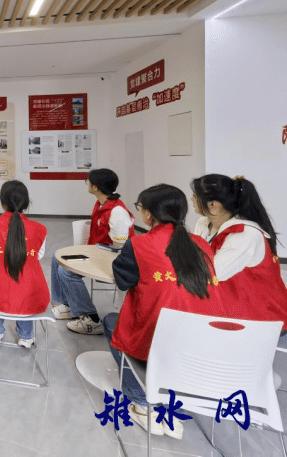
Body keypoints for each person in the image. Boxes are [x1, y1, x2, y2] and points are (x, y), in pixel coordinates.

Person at [104, 184, 225, 439]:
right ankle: (171, 406)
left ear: (148, 215)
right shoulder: (202, 244)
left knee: (111, 321)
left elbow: (123, 281)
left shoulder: (139, 244)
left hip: (159, 342)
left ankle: (141, 402)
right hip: (202, 346)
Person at [191, 174, 287, 330]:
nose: (192, 200)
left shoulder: (245, 234)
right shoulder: (203, 223)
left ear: (213, 205)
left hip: (261, 323)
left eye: (195, 196)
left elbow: (209, 274)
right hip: (230, 314)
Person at [51, 168, 135, 335]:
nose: (87, 184)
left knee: (66, 272)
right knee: (56, 258)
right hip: (97, 253)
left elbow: (120, 248)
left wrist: (90, 256)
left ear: (96, 187)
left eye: (88, 182)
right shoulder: (102, 203)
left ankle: (91, 319)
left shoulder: (117, 212)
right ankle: (66, 305)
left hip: (112, 260)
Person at [0, 181, 49, 349]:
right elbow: (38, 256)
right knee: (25, 285)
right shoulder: (40, 229)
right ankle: (26, 336)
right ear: (26, 203)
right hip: (29, 299)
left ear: (2, 202)